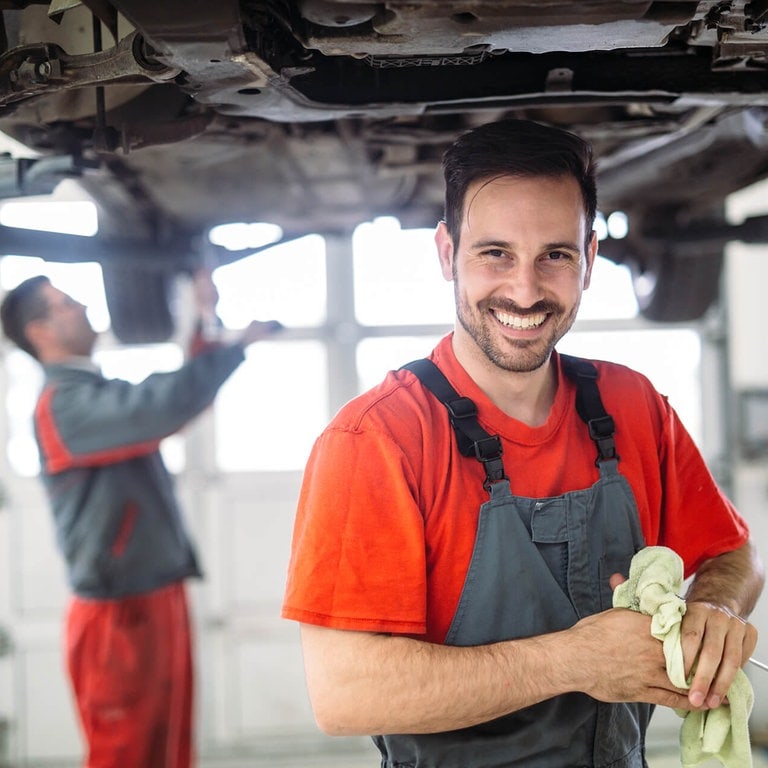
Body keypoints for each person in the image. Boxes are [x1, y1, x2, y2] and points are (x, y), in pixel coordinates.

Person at [281, 118, 765, 767]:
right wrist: (572, 661)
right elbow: (345, 694)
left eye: (555, 255)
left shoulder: (633, 406)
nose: (526, 290)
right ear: (447, 253)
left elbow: (734, 555)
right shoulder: (377, 440)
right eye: (496, 253)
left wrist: (712, 609)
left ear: (590, 259)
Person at [0, 270, 281, 767]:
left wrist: (203, 318)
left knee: (169, 750)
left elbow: (172, 399)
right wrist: (233, 348)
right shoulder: (63, 407)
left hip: (150, 596)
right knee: (127, 753)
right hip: (117, 615)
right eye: (65, 303)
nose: (82, 306)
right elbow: (163, 406)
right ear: (39, 331)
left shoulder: (93, 393)